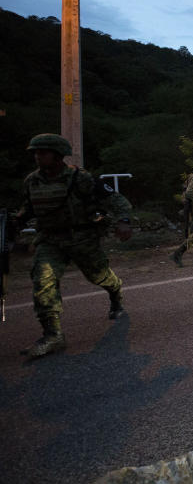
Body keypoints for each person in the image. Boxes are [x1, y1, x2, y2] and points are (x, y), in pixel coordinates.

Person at [16, 133, 134, 358]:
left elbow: (116, 200)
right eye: (35, 153)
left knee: (99, 276)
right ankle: (53, 335)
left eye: (43, 152)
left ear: (58, 155)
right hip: (49, 240)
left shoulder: (81, 178)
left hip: (82, 238)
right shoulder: (32, 181)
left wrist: (124, 221)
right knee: (43, 282)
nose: (38, 157)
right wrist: (16, 222)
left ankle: (115, 292)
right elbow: (28, 208)